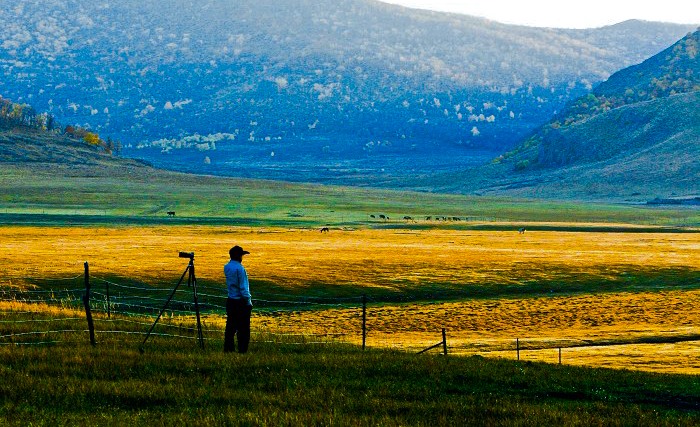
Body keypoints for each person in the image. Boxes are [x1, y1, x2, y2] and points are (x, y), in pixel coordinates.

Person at [224, 245, 253, 353]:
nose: (242, 257)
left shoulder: (227, 267)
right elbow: (243, 288)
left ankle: (228, 348)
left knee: (230, 327)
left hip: (231, 299)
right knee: (244, 328)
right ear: (238, 256)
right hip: (240, 302)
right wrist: (248, 301)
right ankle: (242, 350)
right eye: (241, 255)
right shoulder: (240, 269)